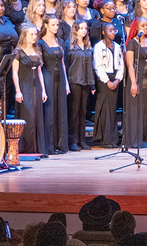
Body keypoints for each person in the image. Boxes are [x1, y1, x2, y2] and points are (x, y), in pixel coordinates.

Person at [123, 17, 147, 148]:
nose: (146, 28)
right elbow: (130, 65)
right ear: (136, 27)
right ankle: (136, 139)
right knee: (137, 108)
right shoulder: (132, 43)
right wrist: (133, 82)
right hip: (138, 78)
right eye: (143, 25)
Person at [12, 24, 46, 156]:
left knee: (37, 117)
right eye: (31, 34)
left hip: (36, 87)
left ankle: (37, 148)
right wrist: (18, 91)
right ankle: (26, 148)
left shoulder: (37, 51)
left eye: (35, 34)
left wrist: (43, 90)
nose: (34, 37)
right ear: (24, 36)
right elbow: (15, 73)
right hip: (24, 87)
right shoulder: (18, 52)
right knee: (28, 116)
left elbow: (39, 72)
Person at [39, 15, 70, 154]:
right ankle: (50, 146)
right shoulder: (40, 43)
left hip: (60, 78)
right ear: (46, 25)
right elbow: (39, 66)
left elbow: (63, 64)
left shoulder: (60, 41)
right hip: (48, 78)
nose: (56, 27)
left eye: (57, 25)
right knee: (50, 112)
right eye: (53, 25)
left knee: (61, 111)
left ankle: (61, 144)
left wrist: (66, 83)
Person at [64, 20, 94, 151]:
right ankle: (73, 141)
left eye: (85, 28)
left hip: (86, 81)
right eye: (81, 28)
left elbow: (90, 66)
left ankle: (82, 140)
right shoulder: (69, 44)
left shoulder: (87, 45)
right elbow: (65, 64)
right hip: (74, 80)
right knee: (74, 112)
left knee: (83, 112)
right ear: (75, 30)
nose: (84, 31)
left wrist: (92, 84)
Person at [92, 21, 123, 149]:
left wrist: (117, 79)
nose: (113, 33)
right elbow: (98, 66)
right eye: (109, 31)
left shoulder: (117, 47)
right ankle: (105, 139)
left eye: (114, 30)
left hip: (115, 79)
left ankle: (113, 139)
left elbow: (121, 65)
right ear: (104, 32)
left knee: (112, 110)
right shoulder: (99, 47)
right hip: (104, 80)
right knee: (105, 109)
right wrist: (107, 81)